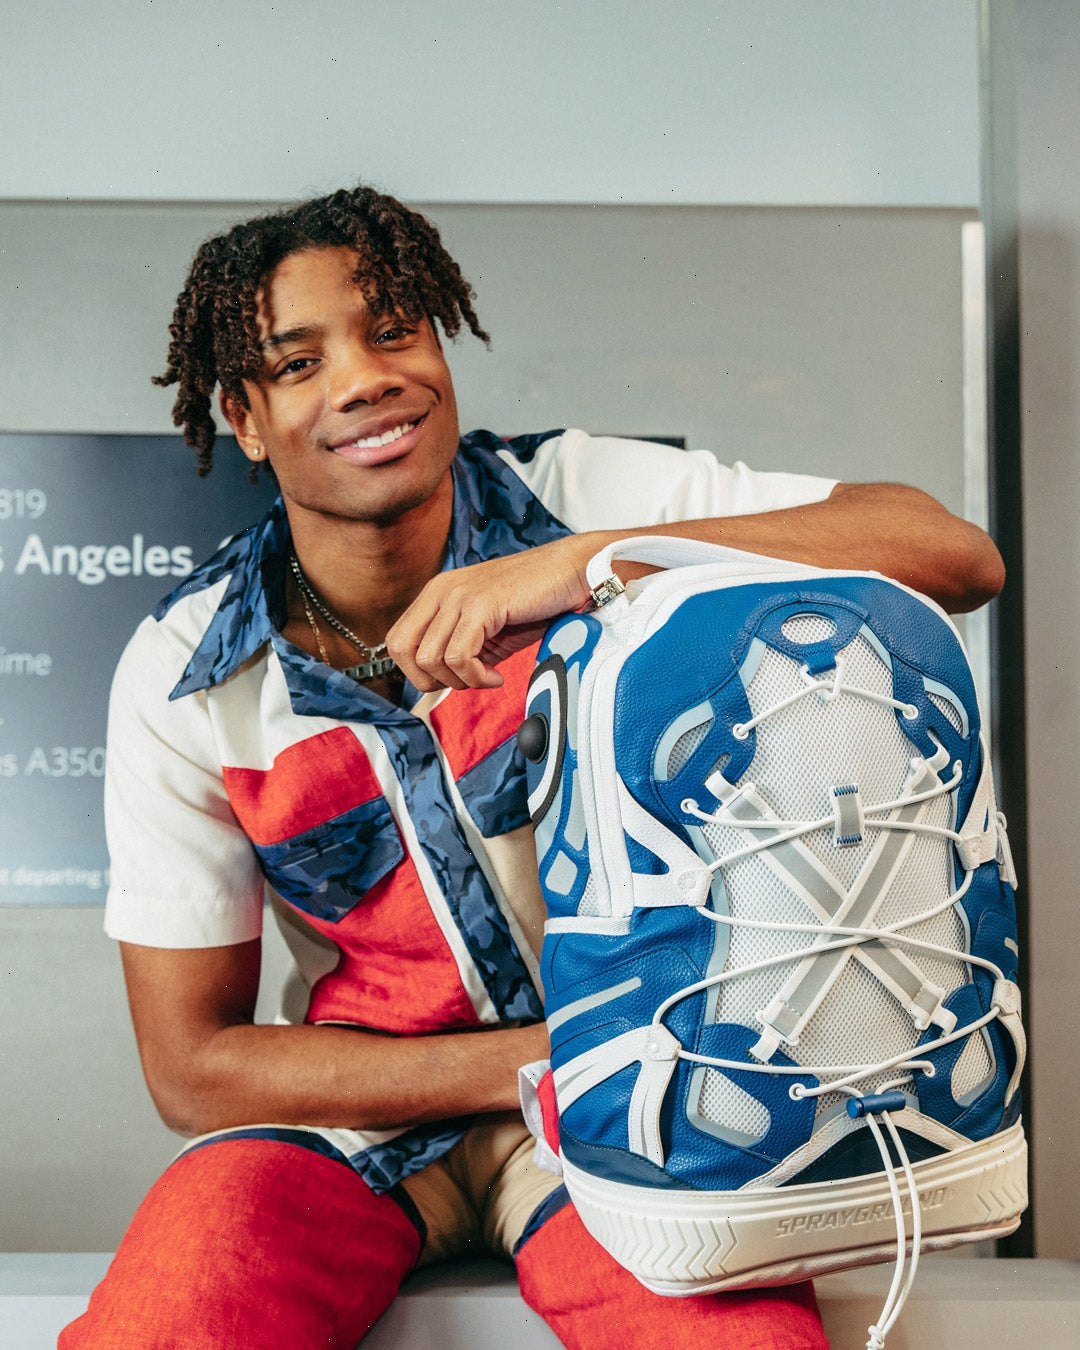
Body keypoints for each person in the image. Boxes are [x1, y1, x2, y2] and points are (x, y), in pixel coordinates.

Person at [61, 184, 1004, 1350]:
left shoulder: (584, 497)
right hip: (365, 1128)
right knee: (162, 1325)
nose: (365, 378)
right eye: (301, 363)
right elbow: (196, 1070)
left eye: (395, 331)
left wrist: (587, 565)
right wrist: (557, 1055)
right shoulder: (183, 671)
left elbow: (949, 553)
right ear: (245, 419)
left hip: (631, 1113)